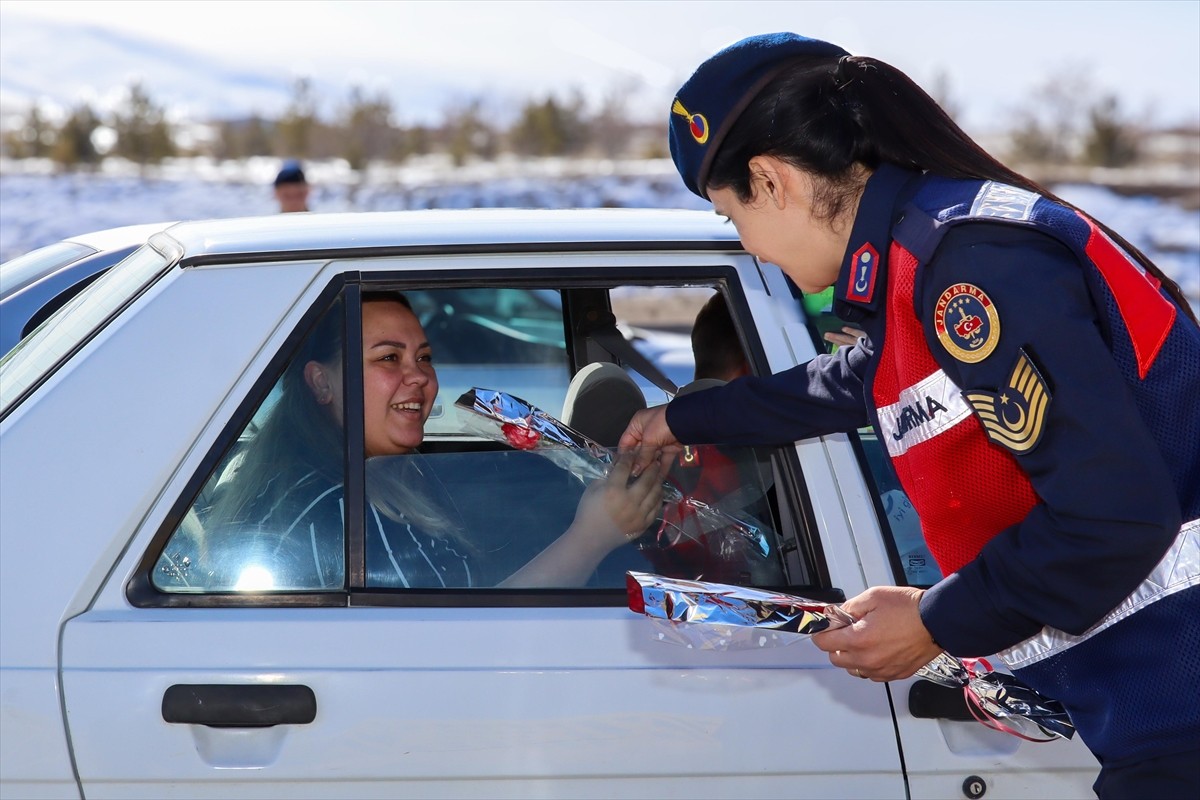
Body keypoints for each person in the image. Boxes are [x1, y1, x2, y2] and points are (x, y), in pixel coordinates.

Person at [619, 32, 1200, 798]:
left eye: (734, 219)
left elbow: (1111, 516)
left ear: (771, 180)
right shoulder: (922, 256)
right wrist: (684, 419)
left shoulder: (969, 263)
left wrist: (935, 619)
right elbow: (859, 379)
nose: (753, 250)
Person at [207, 291, 666, 590]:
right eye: (388, 358)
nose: (420, 377)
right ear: (321, 383)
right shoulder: (341, 517)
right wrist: (593, 537)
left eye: (424, 357)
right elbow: (460, 650)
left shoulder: (362, 481)